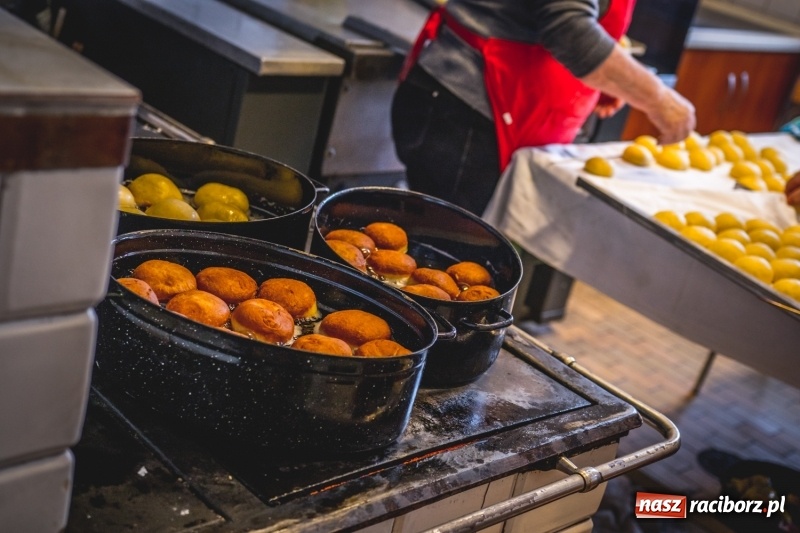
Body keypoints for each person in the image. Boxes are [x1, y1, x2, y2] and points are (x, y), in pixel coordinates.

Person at [391, 0, 697, 216]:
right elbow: (570, 31)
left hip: (488, 110)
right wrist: (660, 99)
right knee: (442, 264)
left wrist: (612, 74)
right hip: (467, 113)